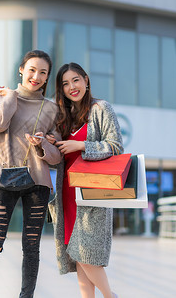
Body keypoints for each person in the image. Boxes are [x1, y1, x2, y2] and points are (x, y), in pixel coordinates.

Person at [0, 50, 62, 298]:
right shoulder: (3, 96)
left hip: (37, 183)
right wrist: (8, 100)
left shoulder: (52, 109)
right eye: (32, 70)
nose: (36, 76)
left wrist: (42, 145)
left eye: (43, 72)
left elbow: (57, 157)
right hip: (3, 179)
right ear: (21, 70)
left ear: (47, 77)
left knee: (31, 248)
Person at [47, 63, 123, 298]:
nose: (72, 87)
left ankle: (110, 296)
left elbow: (116, 147)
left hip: (92, 193)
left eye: (76, 80)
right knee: (78, 255)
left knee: (87, 254)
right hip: (68, 195)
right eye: (65, 84)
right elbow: (56, 161)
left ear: (86, 80)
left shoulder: (101, 109)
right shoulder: (63, 117)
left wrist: (81, 145)